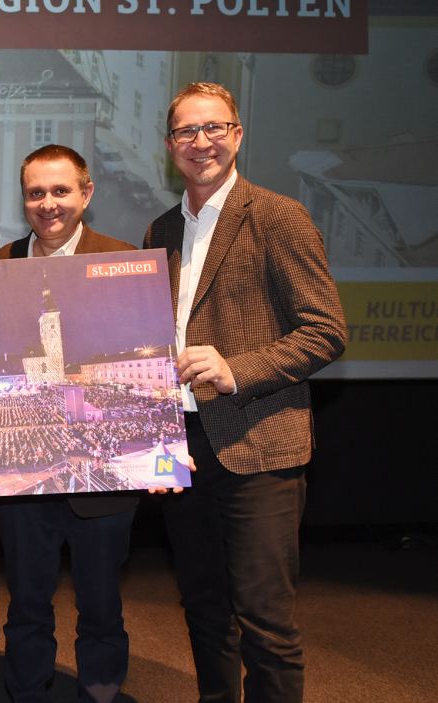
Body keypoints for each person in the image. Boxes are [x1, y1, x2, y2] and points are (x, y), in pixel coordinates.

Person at [145, 82, 346, 703]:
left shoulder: (278, 216)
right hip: (185, 447)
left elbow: (326, 331)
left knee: (265, 618)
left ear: (236, 134)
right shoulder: (161, 229)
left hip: (259, 444)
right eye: (185, 131)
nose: (200, 142)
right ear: (170, 144)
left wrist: (237, 369)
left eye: (213, 128)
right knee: (204, 607)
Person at [0, 144, 138, 703]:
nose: (48, 203)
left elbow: (146, 351)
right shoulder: (0, 264)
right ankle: (25, 691)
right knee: (26, 600)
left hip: (102, 473)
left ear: (86, 193)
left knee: (101, 601)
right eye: (36, 192)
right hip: (25, 474)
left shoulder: (124, 258)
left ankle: (100, 692)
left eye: (60, 191)